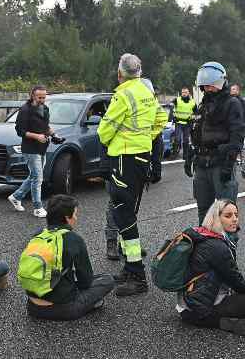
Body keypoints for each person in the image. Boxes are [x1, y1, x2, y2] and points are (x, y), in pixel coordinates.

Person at [97, 53, 167, 296]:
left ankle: (137, 275)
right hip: (140, 158)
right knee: (128, 213)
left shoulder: (123, 94)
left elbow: (105, 131)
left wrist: (117, 139)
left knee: (124, 216)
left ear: (120, 74)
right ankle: (129, 267)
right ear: (139, 71)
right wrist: (145, 137)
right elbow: (161, 118)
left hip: (124, 159)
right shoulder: (146, 92)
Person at [176, 200, 245, 336]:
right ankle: (238, 317)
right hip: (199, 310)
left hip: (187, 304)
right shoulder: (217, 247)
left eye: (236, 215)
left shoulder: (204, 235)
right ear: (216, 218)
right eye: (228, 216)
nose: (234, 219)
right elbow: (236, 281)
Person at [25, 195, 116, 321]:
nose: (76, 218)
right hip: (64, 309)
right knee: (107, 279)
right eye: (75, 215)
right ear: (67, 218)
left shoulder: (37, 235)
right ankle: (88, 304)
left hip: (33, 306)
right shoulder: (74, 239)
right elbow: (86, 281)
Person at [185, 62, 245, 226]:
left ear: (220, 83)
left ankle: (228, 250)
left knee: (226, 213)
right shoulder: (202, 105)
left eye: (212, 86)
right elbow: (196, 132)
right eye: (205, 86)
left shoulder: (231, 104)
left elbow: (237, 136)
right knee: (203, 213)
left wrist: (229, 163)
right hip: (202, 164)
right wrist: (190, 156)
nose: (208, 89)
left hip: (221, 164)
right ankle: (205, 249)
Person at [7, 86, 56, 218]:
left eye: (44, 97)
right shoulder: (24, 110)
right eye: (40, 97)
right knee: (38, 178)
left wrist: (54, 134)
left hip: (42, 147)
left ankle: (16, 196)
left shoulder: (45, 108)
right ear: (32, 96)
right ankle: (37, 207)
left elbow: (46, 127)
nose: (42, 100)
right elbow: (20, 131)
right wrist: (37, 136)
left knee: (34, 176)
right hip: (30, 149)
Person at [172, 87, 196, 158]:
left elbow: (196, 113)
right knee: (177, 139)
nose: (184, 94)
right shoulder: (177, 100)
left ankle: (185, 155)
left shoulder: (192, 102)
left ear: (188, 93)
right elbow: (172, 109)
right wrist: (173, 117)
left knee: (186, 140)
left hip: (187, 124)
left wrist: (192, 119)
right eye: (183, 92)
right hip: (178, 122)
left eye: (185, 92)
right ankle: (174, 154)